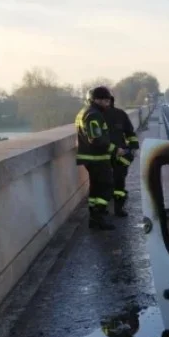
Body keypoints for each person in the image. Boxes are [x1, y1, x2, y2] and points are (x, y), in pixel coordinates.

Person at [75, 86, 116, 230]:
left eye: (108, 101)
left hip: (91, 158)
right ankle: (100, 217)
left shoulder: (84, 112)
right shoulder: (93, 115)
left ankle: (94, 218)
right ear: (96, 100)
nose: (108, 104)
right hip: (96, 158)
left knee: (95, 189)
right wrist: (115, 149)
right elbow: (96, 139)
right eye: (105, 101)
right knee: (106, 187)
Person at [106, 96, 139, 217]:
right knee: (111, 182)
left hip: (121, 155)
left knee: (119, 182)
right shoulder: (97, 116)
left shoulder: (120, 114)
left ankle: (118, 208)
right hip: (106, 156)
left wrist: (133, 146)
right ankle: (113, 207)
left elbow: (130, 132)